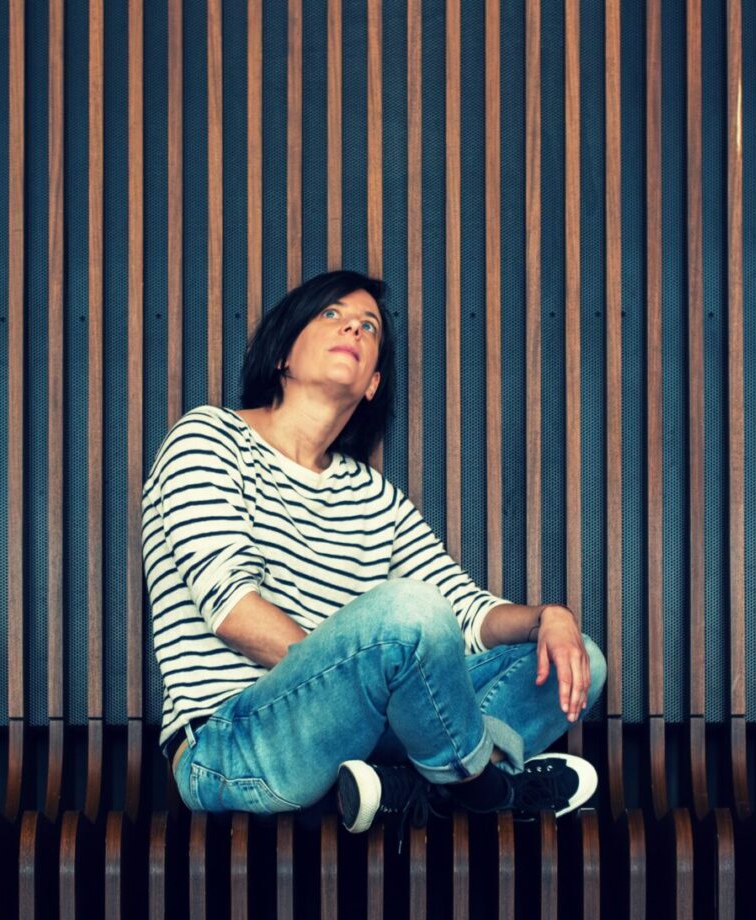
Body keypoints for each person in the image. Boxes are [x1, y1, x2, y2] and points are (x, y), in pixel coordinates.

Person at [140, 269, 606, 839]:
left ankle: (406, 787)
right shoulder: (208, 438)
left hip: (350, 740)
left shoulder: (372, 495)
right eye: (332, 315)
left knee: (575, 657)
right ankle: (485, 788)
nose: (353, 330)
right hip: (231, 744)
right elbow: (233, 610)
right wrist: (365, 684)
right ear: (283, 354)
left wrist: (546, 618)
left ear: (372, 384)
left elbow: (462, 613)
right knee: (406, 613)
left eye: (369, 328)